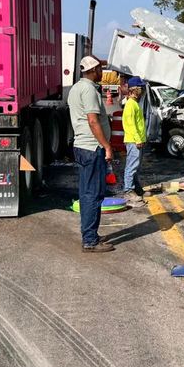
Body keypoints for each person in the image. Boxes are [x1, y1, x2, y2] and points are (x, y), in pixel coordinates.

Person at [68, 56, 114, 253]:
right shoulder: (88, 90)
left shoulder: (76, 88)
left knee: (89, 193)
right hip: (92, 147)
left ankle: (90, 234)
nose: (102, 72)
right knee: (92, 195)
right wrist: (107, 146)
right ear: (94, 70)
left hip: (83, 146)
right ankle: (90, 240)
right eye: (100, 68)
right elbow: (93, 121)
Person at [121, 76, 147, 203]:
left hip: (136, 140)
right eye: (140, 88)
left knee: (135, 166)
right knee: (132, 166)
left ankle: (136, 188)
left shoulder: (134, 104)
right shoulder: (131, 105)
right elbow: (130, 125)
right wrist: (137, 139)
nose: (142, 91)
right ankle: (128, 191)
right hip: (133, 140)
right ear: (134, 90)